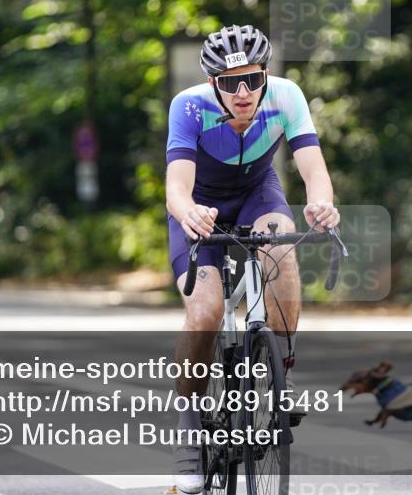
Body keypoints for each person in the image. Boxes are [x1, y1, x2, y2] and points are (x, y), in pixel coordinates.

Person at [165, 24, 340, 492]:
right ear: (211, 84)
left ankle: (279, 364)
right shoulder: (188, 106)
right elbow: (176, 189)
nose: (244, 93)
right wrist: (190, 215)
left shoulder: (286, 96)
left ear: (266, 75)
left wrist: (321, 202)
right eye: (229, 83)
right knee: (206, 311)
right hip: (200, 206)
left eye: (253, 80)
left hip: (257, 195)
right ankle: (189, 425)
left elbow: (313, 168)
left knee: (281, 247)